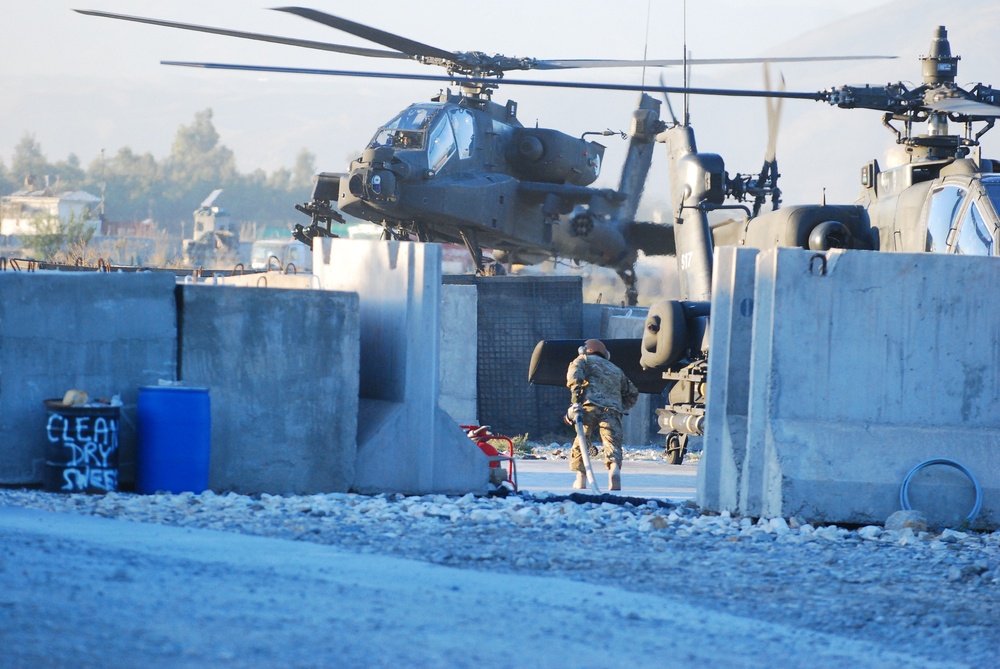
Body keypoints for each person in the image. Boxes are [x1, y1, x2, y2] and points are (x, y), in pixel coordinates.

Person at [565, 339, 638, 491]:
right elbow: (632, 393)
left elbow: (575, 376)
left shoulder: (583, 359)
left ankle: (581, 478)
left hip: (589, 405)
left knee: (582, 438)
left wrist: (575, 400)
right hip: (613, 409)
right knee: (612, 443)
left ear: (585, 349)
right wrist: (621, 407)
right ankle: (614, 471)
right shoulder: (616, 369)